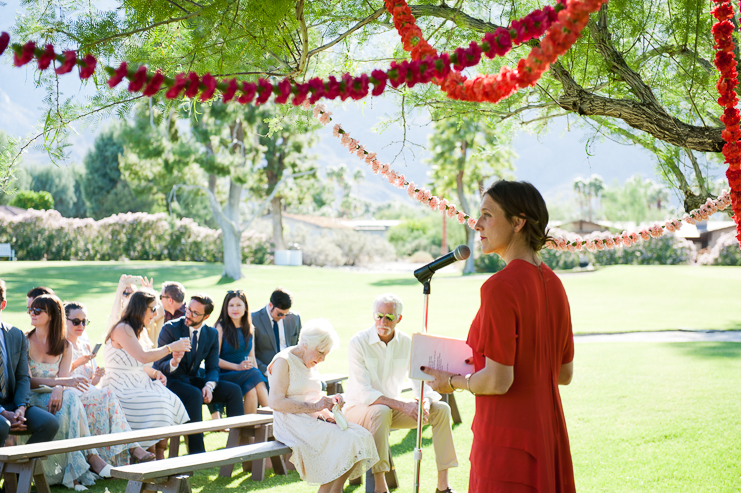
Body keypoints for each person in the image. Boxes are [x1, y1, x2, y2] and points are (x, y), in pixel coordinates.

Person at [421, 180, 576, 493]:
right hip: (547, 432)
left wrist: (451, 383)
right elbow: (563, 373)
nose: (477, 224)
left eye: (487, 215)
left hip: (506, 439)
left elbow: (498, 380)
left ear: (518, 222)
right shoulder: (555, 284)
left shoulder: (500, 287)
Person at [344, 293, 458, 493]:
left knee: (441, 409)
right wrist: (403, 405)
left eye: (389, 317)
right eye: (379, 315)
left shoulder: (408, 343)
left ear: (399, 318)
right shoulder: (358, 342)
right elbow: (364, 393)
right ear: (373, 315)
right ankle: (380, 487)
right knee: (381, 411)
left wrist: (424, 403)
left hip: (389, 411)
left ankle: (443, 486)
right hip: (358, 410)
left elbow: (422, 382)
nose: (383, 321)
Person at [268, 319, 378, 493]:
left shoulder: (310, 360)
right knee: (348, 441)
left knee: (363, 437)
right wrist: (315, 407)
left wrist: (329, 404)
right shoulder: (283, 360)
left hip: (313, 417)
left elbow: (312, 394)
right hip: (290, 421)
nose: (323, 359)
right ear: (305, 344)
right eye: (320, 353)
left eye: (325, 354)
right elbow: (275, 402)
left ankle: (336, 490)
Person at [25, 294, 111, 490]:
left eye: (38, 310)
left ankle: (73, 472)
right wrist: (62, 384)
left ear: (53, 315)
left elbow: (63, 378)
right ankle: (87, 462)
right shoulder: (24, 341)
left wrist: (58, 387)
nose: (32, 313)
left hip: (53, 396)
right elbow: (28, 381)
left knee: (69, 400)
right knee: (71, 397)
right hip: (30, 398)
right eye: (31, 310)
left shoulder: (65, 345)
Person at [99, 291, 191, 460]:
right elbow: (143, 356)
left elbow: (139, 365)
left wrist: (156, 373)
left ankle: (161, 455)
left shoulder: (138, 330)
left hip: (137, 382)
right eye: (153, 309)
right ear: (141, 308)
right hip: (119, 386)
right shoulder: (123, 328)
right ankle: (150, 458)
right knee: (158, 403)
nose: (155, 314)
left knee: (169, 399)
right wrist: (171, 347)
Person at [65, 301, 155, 465]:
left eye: (84, 321)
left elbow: (91, 381)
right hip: (70, 396)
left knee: (107, 396)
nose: (81, 325)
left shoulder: (85, 344)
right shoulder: (61, 344)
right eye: (76, 321)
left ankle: (120, 456)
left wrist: (97, 376)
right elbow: (60, 376)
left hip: (89, 392)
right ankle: (132, 448)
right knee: (108, 395)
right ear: (64, 320)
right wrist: (78, 362)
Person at [154, 294, 244, 454]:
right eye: (188, 309)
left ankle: (239, 449)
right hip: (169, 381)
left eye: (195, 313)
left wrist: (209, 386)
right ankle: (197, 455)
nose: (188, 314)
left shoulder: (211, 334)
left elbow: (212, 367)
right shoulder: (170, 328)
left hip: (192, 379)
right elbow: (159, 365)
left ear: (206, 316)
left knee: (234, 390)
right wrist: (174, 362)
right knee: (194, 394)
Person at [0, 279, 59, 447]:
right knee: (2, 425)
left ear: (3, 304)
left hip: (12, 403)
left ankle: (23, 470)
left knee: (50, 423)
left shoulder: (15, 335)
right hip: (1, 412)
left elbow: (23, 377)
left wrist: (20, 407)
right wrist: (3, 413)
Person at [212, 290, 268, 415]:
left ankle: (248, 433)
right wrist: (237, 367)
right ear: (225, 308)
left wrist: (254, 373)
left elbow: (251, 357)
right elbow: (214, 360)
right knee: (254, 374)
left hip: (246, 374)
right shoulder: (220, 328)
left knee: (252, 390)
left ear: (245, 307)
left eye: (238, 305)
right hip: (225, 374)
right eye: (231, 305)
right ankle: (274, 416)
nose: (234, 309)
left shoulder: (249, 328)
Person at [252, 287, 302, 381]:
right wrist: (267, 371)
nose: (283, 317)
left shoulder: (295, 318)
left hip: (292, 370)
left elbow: (300, 347)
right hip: (266, 373)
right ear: (270, 305)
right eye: (279, 314)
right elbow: (251, 354)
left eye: (285, 314)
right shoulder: (253, 319)